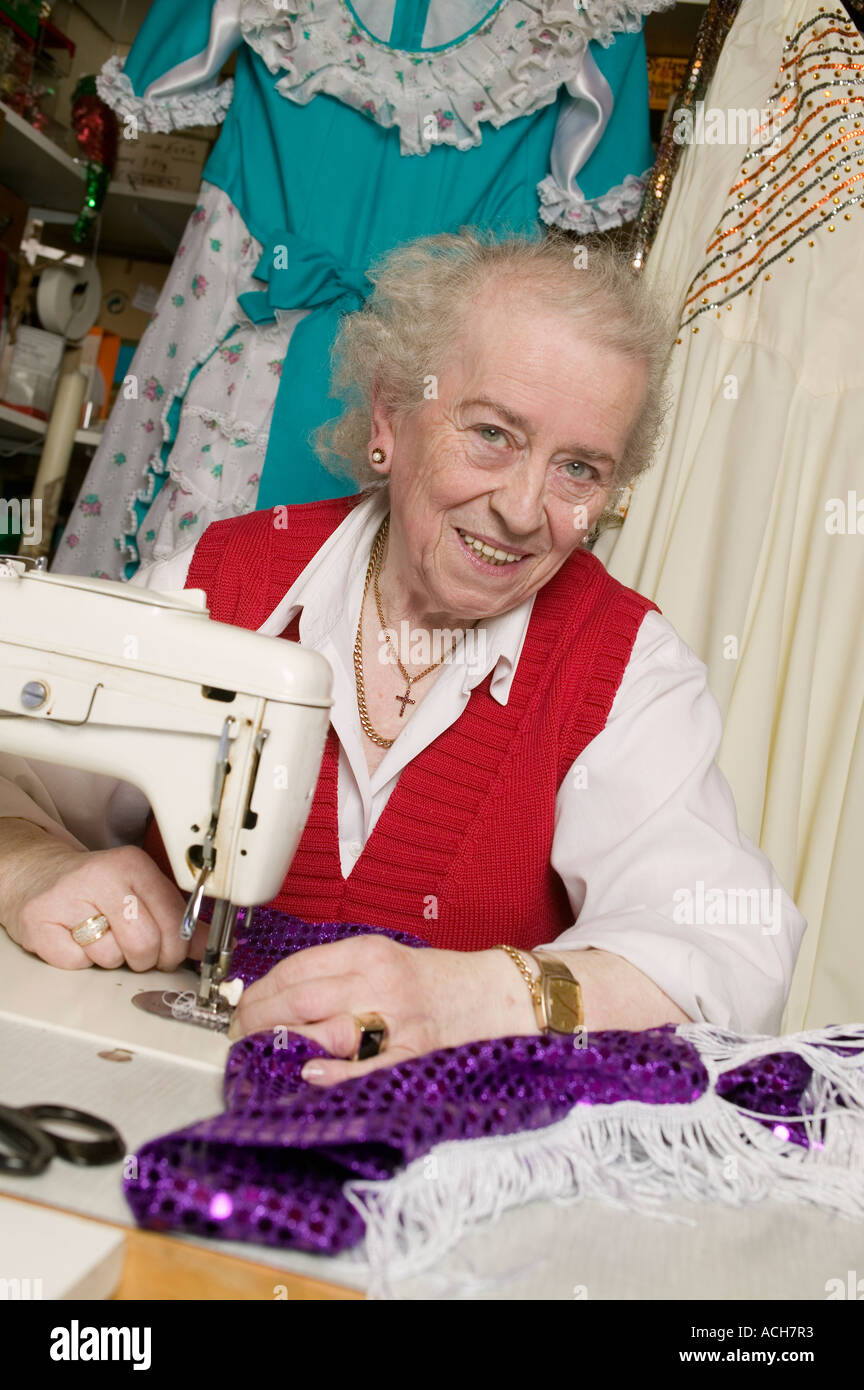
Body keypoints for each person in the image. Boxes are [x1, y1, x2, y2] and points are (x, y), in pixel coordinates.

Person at [0, 231, 805, 1087]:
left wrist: (473, 998)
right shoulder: (221, 582)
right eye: (493, 434)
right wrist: (32, 865)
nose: (525, 509)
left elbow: (731, 953)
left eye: (578, 469)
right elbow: (20, 765)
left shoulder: (627, 670)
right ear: (390, 417)